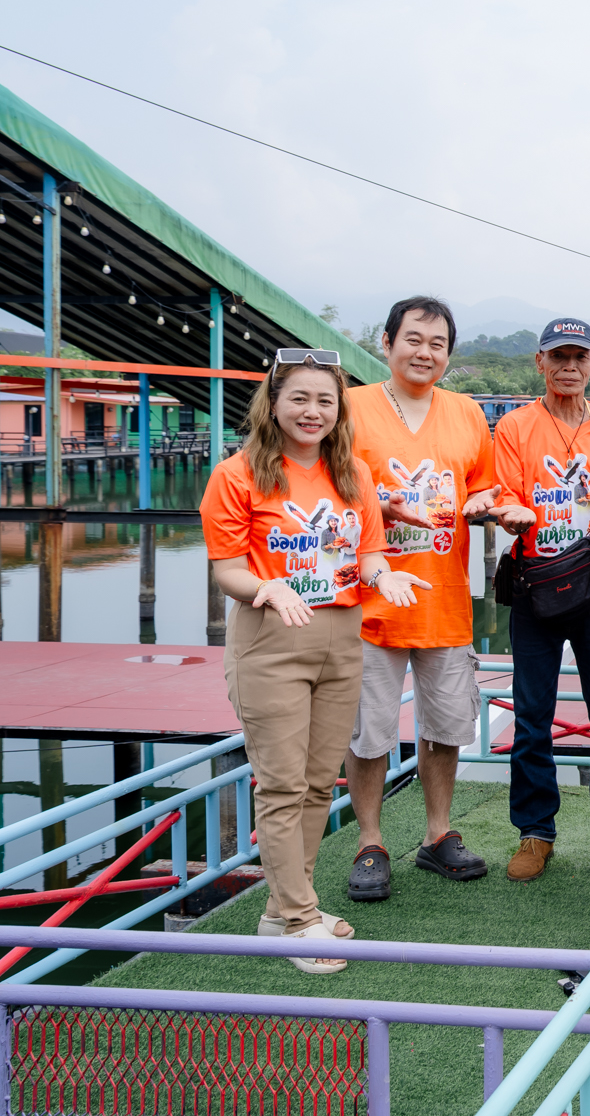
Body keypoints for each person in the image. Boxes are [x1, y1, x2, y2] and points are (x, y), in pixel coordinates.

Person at [201, 351, 429, 972]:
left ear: (339, 410)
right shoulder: (238, 474)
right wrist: (266, 587)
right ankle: (301, 919)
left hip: (342, 639)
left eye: (325, 400)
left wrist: (385, 576)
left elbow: (369, 552)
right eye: (299, 398)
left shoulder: (352, 473)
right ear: (273, 403)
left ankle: (282, 911)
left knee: (316, 783)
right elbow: (227, 568)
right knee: (281, 784)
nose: (313, 411)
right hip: (271, 639)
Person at [342, 296, 503, 903]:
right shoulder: (351, 407)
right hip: (368, 599)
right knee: (369, 733)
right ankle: (370, 842)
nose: (424, 352)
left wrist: (487, 504)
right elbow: (323, 486)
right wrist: (373, 509)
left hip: (444, 598)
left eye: (437, 344)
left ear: (448, 356)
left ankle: (438, 835)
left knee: (445, 726)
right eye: (413, 339)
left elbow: (484, 485)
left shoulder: (466, 413)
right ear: (386, 343)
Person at [490, 319, 590, 882]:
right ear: (540, 363)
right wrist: (509, 513)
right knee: (532, 713)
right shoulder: (515, 425)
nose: (570, 367)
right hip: (536, 582)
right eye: (559, 356)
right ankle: (535, 832)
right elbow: (506, 493)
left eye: (580, 357)